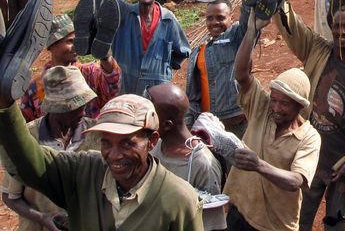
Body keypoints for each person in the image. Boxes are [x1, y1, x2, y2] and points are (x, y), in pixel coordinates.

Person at [0, 14, 202, 231]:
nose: (114, 154)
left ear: (152, 141)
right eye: (106, 142)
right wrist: (5, 102)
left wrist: (105, 55)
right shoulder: (86, 171)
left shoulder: (179, 200)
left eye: (127, 143)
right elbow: (29, 160)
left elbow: (111, 78)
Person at [272, 0, 345, 230]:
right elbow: (294, 26)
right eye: (336, 26)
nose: (341, 31)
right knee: (298, 219)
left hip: (341, 165)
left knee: (337, 223)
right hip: (309, 158)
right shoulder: (319, 51)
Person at [224, 13, 321, 231]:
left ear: (300, 105)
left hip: (276, 225)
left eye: (284, 104)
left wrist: (258, 165)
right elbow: (241, 74)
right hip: (240, 212)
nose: (275, 108)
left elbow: (296, 180)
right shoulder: (262, 108)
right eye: (274, 100)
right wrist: (251, 31)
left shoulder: (309, 137)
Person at [2, 66, 101, 231]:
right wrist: (43, 218)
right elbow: (10, 197)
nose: (82, 111)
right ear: (56, 109)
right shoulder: (26, 139)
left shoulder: (97, 135)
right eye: (74, 107)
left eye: (84, 104)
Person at [86, 0, 190, 94]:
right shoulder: (123, 13)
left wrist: (161, 68)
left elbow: (182, 52)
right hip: (124, 90)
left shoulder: (168, 20)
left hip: (155, 94)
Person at [148, 83, 226, 231]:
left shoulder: (202, 164)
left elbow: (212, 224)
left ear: (167, 125)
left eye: (150, 115)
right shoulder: (155, 147)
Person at [20, 14, 120, 121]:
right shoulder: (35, 89)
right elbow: (27, 126)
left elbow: (113, 84)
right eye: (70, 41)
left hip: (88, 137)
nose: (76, 45)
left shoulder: (89, 73)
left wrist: (105, 56)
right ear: (52, 45)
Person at [185, 0, 249, 138]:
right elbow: (193, 93)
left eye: (220, 17)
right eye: (210, 18)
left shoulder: (236, 37)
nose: (214, 22)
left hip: (235, 123)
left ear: (231, 18)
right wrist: (189, 122)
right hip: (208, 125)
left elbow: (249, 22)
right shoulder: (198, 50)